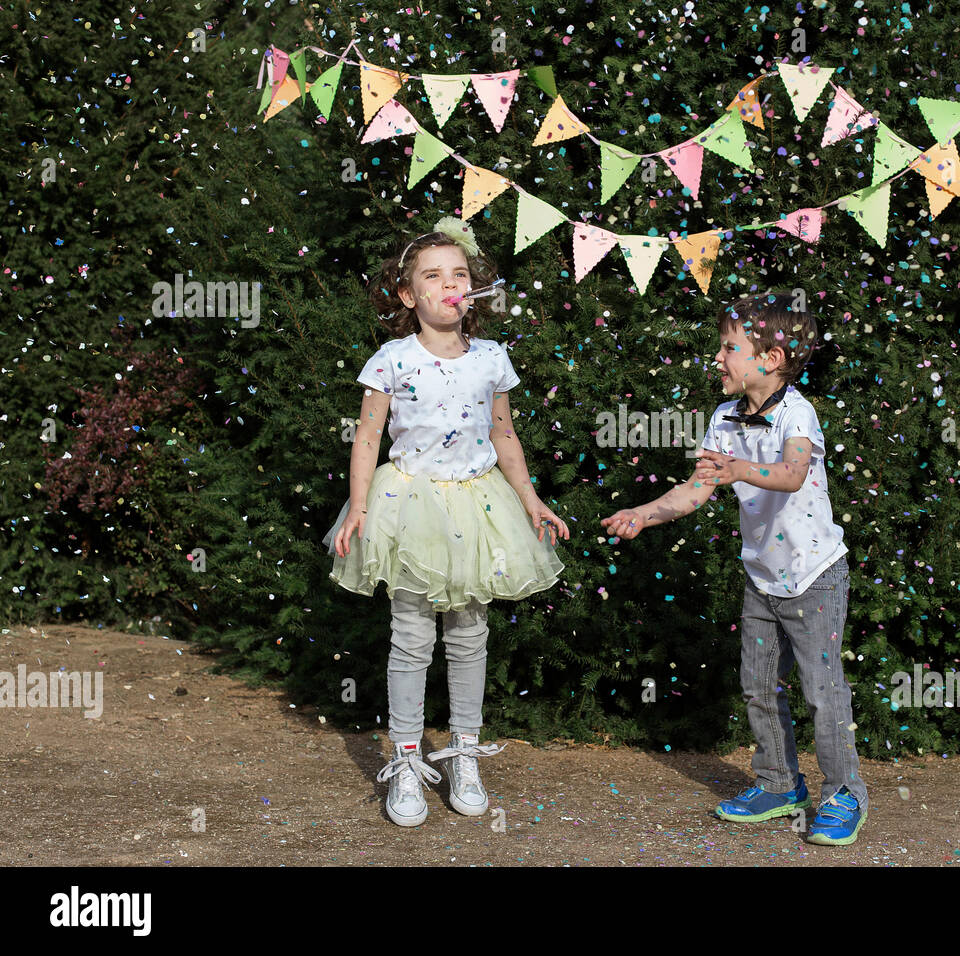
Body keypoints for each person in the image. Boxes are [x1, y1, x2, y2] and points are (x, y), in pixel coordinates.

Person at [323, 216, 569, 827]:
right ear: (409, 296)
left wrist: (532, 499)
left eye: (460, 274)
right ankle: (407, 759)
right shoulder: (392, 359)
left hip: (481, 506)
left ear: (474, 289)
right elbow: (368, 438)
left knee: (469, 636)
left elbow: (504, 434)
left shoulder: (491, 358)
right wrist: (358, 507)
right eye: (433, 276)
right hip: (409, 508)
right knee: (410, 638)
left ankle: (463, 753)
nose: (449, 285)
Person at [600, 291, 868, 846]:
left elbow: (792, 474)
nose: (717, 359)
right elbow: (696, 488)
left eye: (729, 348)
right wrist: (643, 514)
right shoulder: (723, 418)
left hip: (815, 575)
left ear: (770, 358)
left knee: (822, 691)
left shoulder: (798, 412)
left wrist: (738, 468)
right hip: (762, 578)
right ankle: (778, 783)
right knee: (758, 686)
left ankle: (845, 794)